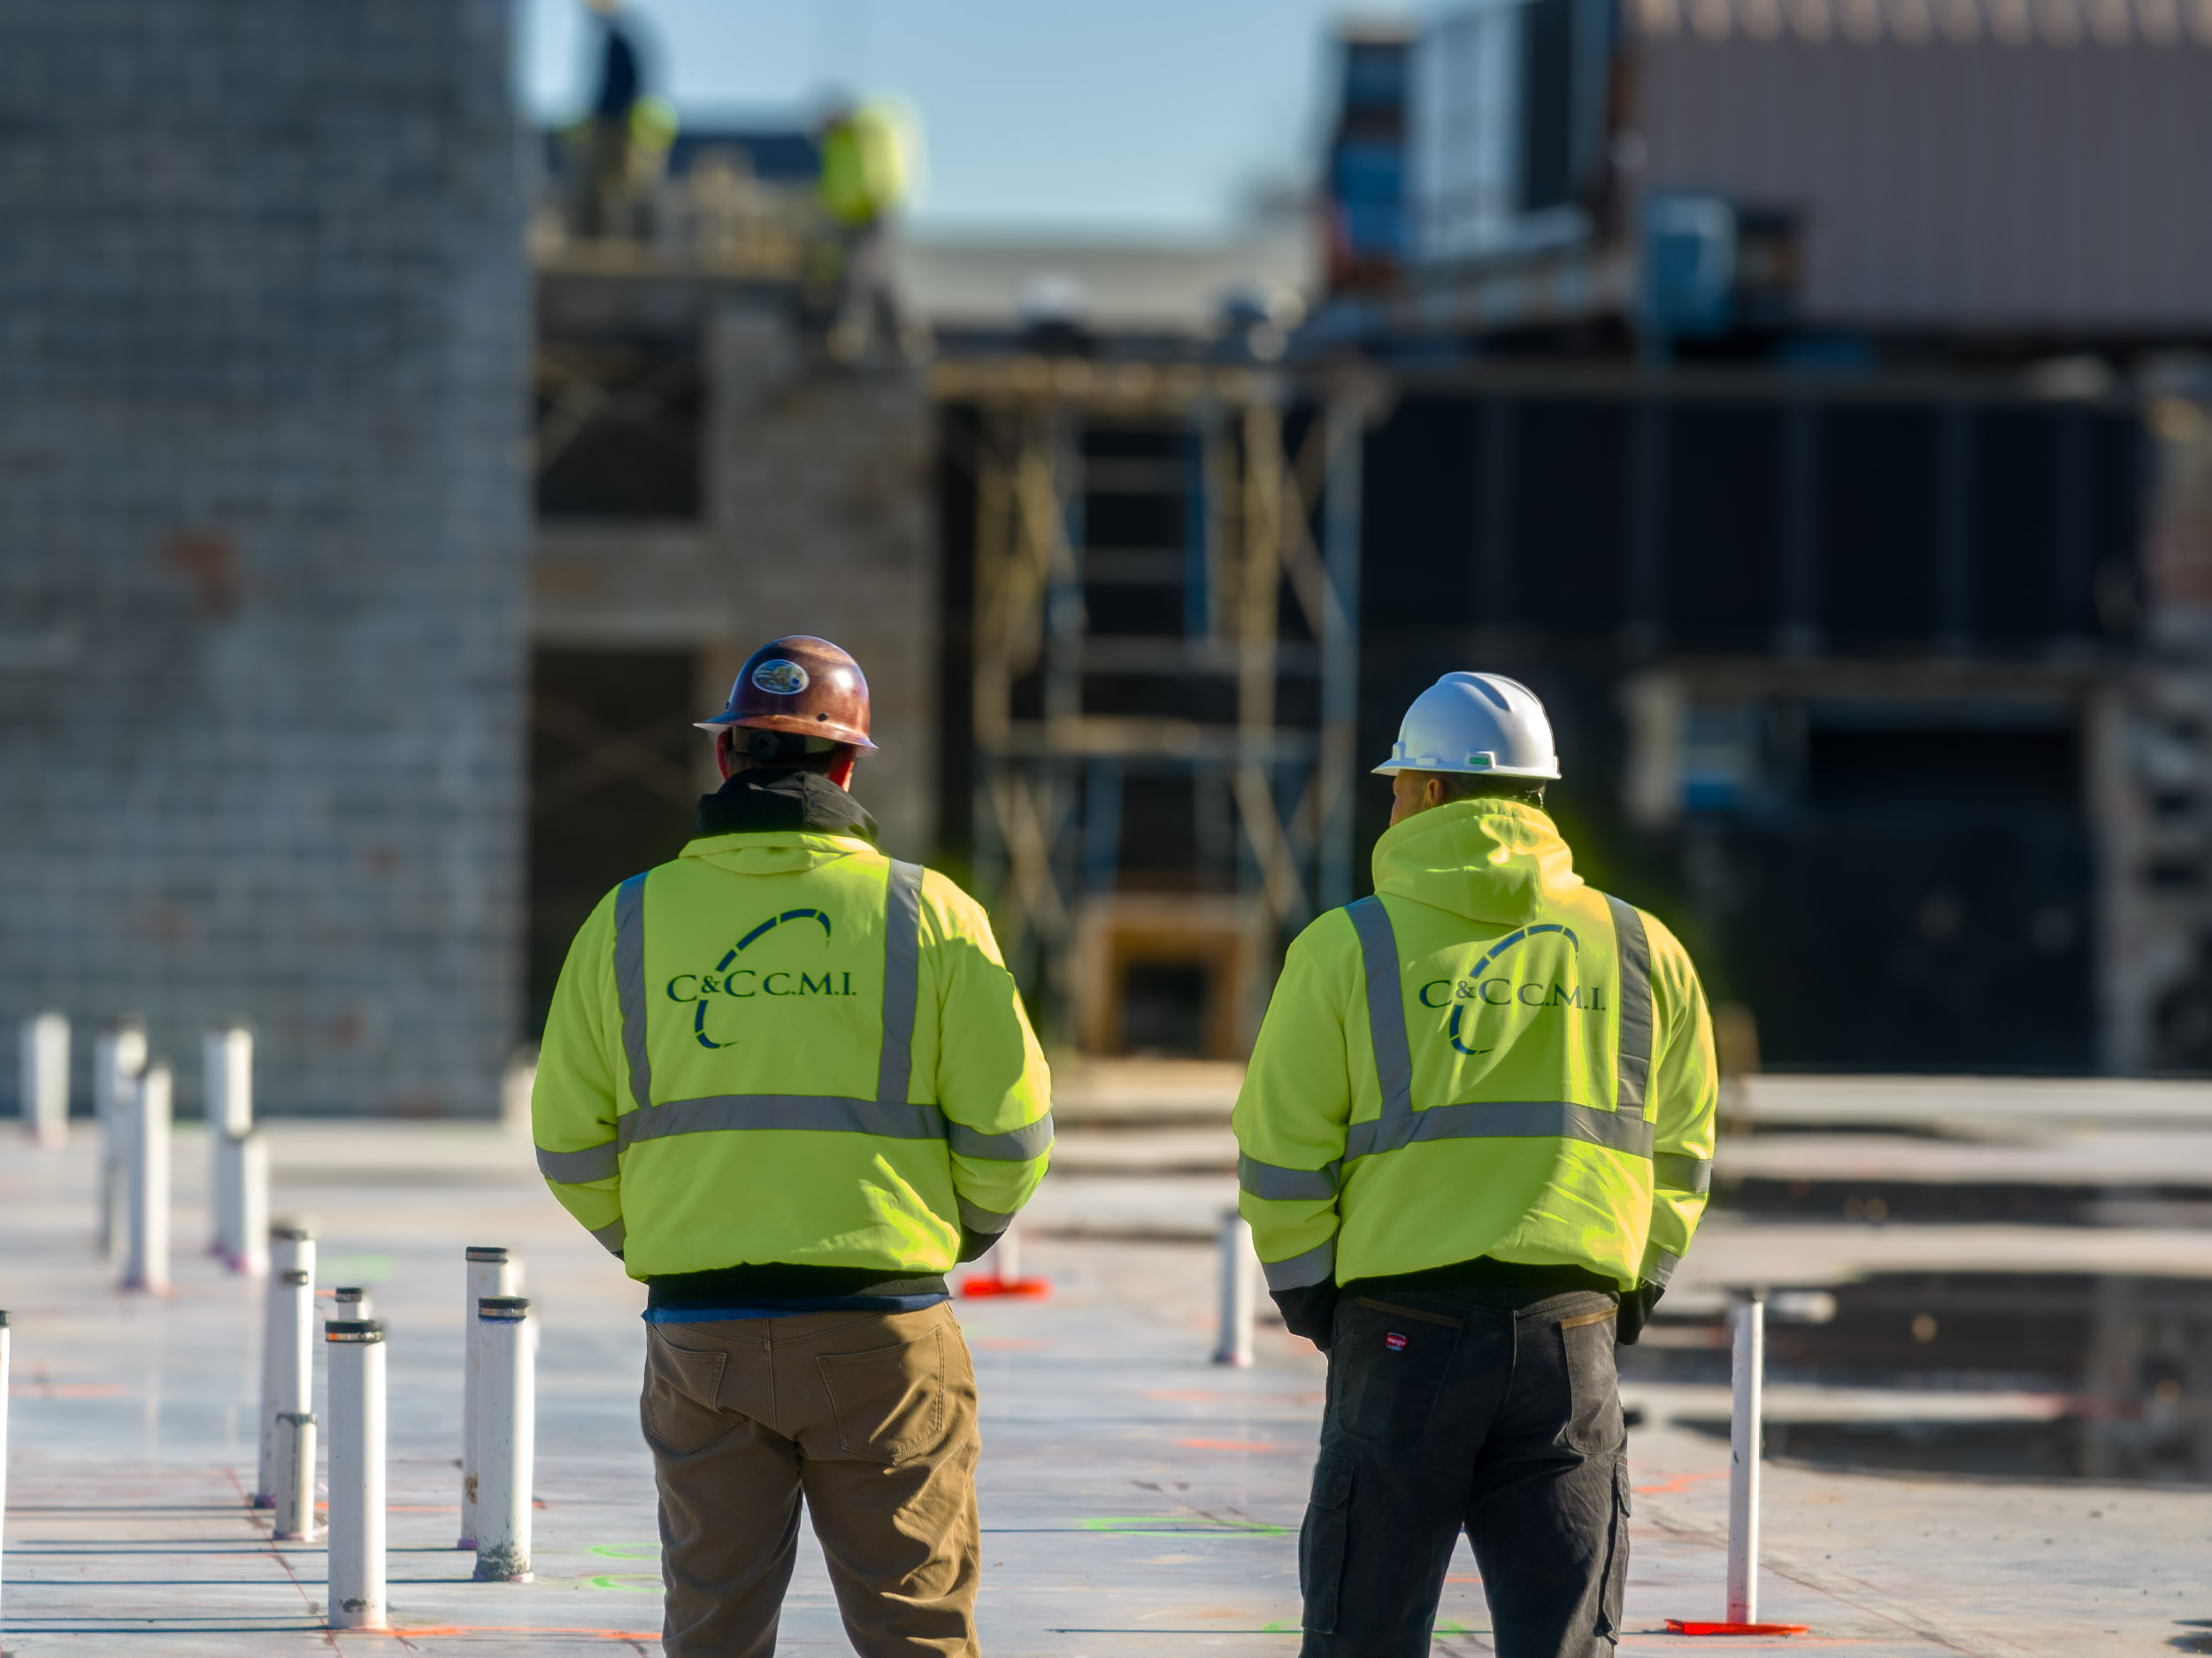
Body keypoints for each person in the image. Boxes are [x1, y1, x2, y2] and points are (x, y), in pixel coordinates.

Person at [534, 634, 1052, 1658]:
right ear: (849, 764)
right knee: (917, 1629)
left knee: (714, 1627)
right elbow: (1013, 1129)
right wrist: (953, 1233)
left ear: (727, 752)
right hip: (884, 1327)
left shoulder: (625, 919)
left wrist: (664, 1235)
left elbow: (565, 1139)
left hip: (702, 1329)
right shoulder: (930, 913)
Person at [1233, 672, 1718, 1658]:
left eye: (1400, 780)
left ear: (1429, 793)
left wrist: (1315, 1299)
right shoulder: (1639, 947)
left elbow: (1280, 1150)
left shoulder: (1346, 946)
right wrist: (1628, 1286)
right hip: (1569, 1330)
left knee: (1361, 1632)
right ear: (1536, 795)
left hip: (1397, 1330)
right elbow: (1683, 1149)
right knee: (1566, 1640)